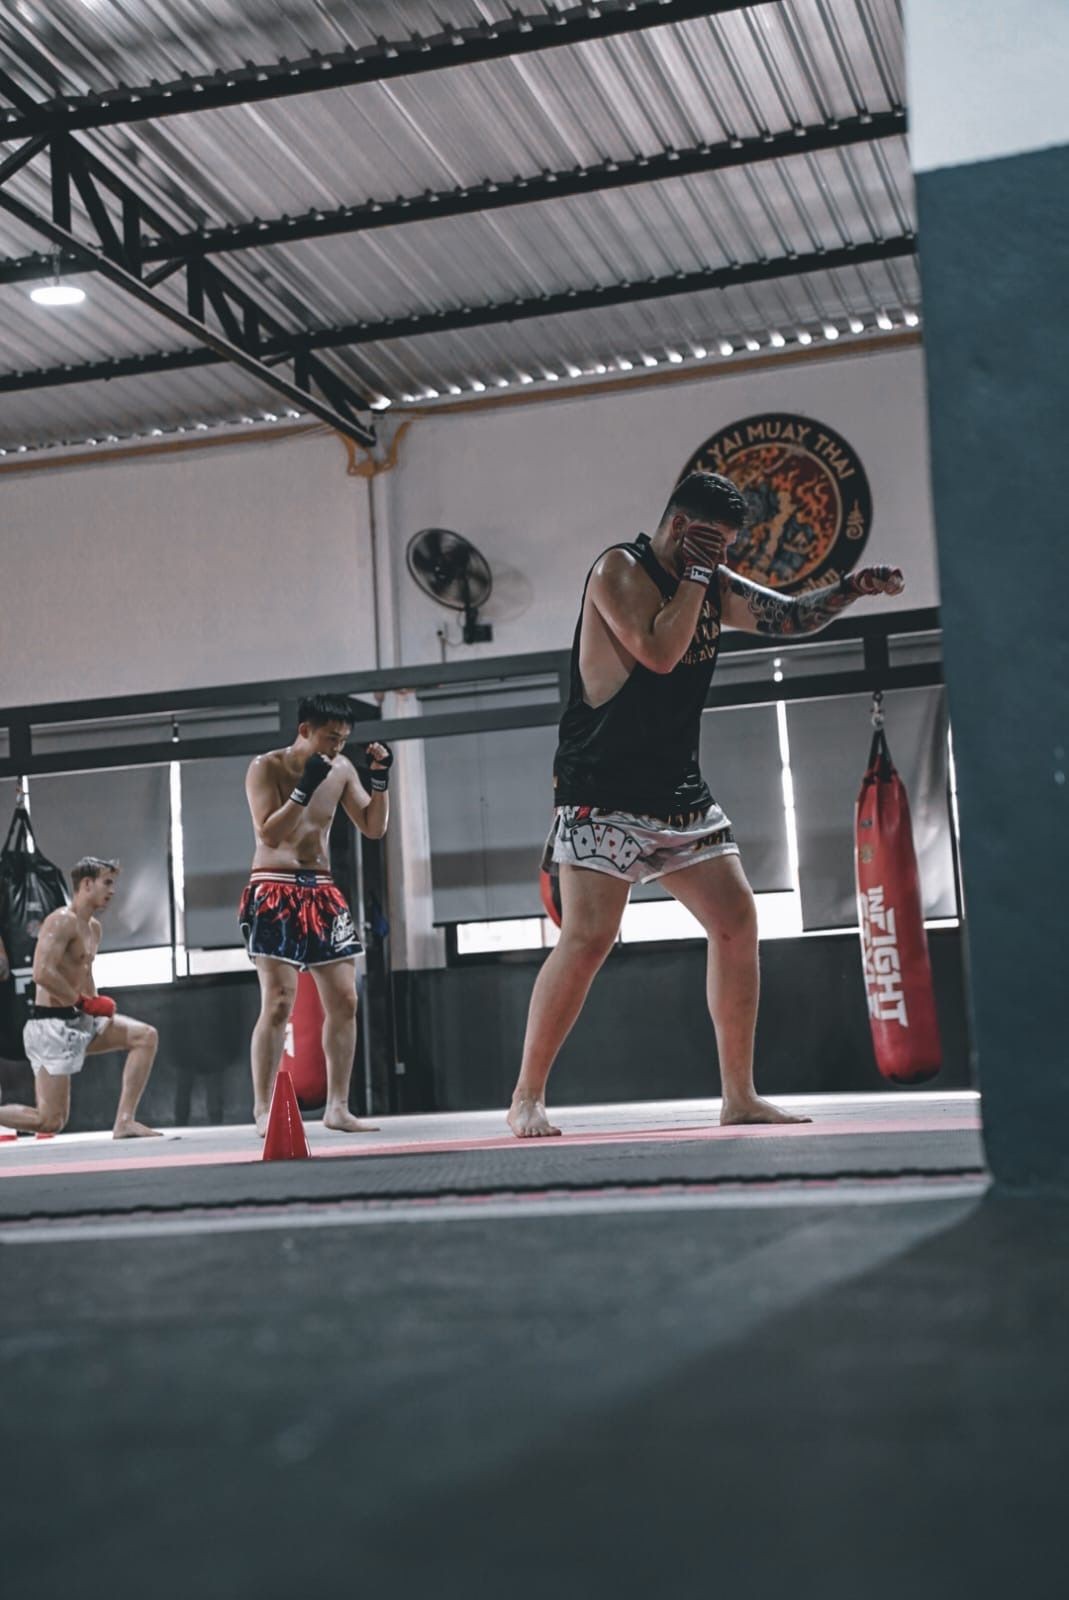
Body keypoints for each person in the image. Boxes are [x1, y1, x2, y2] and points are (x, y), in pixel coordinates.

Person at [508, 470, 905, 1138]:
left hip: (677, 794)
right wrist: (696, 577)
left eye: (724, 548)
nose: (720, 558)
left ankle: (738, 1094)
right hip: (601, 793)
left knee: (735, 920)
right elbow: (658, 652)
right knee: (587, 939)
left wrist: (848, 590)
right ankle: (526, 1097)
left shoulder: (710, 585)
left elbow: (785, 617)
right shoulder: (616, 569)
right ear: (678, 527)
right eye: (711, 543)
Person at [242, 693, 391, 1137]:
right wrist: (304, 789)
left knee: (346, 1000)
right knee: (279, 1002)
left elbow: (373, 827)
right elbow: (270, 831)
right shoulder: (265, 767)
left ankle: (338, 1107)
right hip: (274, 886)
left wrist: (380, 781)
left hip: (322, 891)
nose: (336, 747)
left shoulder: (343, 769)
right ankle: (264, 1108)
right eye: (329, 737)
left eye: (343, 740)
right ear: (304, 730)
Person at [0, 857, 161, 1139]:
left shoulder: (93, 927)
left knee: (145, 1036)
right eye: (107, 883)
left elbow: (84, 972)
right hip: (51, 1028)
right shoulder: (60, 921)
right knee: (50, 1121)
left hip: (81, 1021)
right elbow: (41, 972)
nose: (112, 891)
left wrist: (95, 1005)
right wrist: (83, 1002)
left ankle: (125, 1121)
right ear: (87, 884)